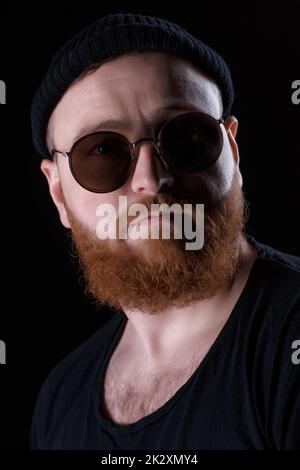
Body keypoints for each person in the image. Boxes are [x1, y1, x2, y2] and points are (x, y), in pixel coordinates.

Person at [30, 13, 300, 450]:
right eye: (102, 151)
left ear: (231, 151)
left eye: (187, 136)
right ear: (58, 192)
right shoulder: (60, 400)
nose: (151, 180)